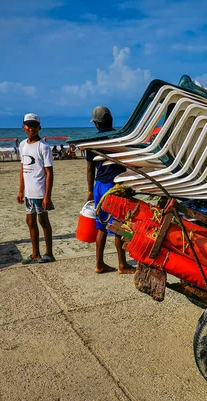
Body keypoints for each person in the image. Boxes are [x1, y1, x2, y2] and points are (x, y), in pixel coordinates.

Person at [86, 105, 134, 274]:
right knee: (118, 225)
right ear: (111, 120)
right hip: (114, 186)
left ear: (96, 124)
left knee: (101, 226)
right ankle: (122, 264)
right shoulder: (118, 138)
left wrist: (90, 190)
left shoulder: (92, 141)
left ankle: (99, 264)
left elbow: (90, 168)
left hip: (99, 186)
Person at [17, 113, 55, 264]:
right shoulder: (22, 145)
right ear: (23, 127)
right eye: (28, 125)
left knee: (43, 221)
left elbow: (49, 172)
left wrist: (47, 196)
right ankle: (35, 253)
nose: (31, 128)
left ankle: (49, 253)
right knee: (30, 222)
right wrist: (21, 190)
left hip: (40, 191)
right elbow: (22, 168)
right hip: (28, 193)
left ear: (39, 127)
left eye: (34, 126)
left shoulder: (43, 147)